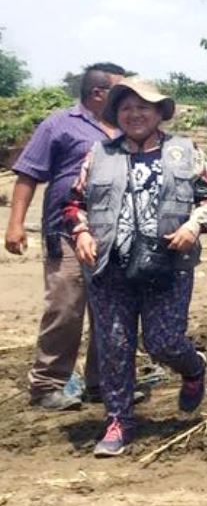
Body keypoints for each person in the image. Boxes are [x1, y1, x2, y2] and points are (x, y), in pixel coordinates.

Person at [65, 79, 207, 457]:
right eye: (126, 108)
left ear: (159, 113)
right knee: (115, 345)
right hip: (109, 267)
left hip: (167, 265)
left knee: (163, 341)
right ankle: (119, 419)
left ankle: (193, 368)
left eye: (144, 108)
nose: (135, 115)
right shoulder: (98, 154)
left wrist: (194, 225)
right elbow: (73, 203)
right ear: (116, 114)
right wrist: (82, 233)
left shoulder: (184, 152)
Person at [7, 61, 125, 409]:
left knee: (110, 309)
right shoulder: (60, 125)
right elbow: (28, 175)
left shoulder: (127, 127)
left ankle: (102, 384)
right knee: (66, 307)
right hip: (66, 231)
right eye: (119, 90)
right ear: (98, 93)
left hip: (115, 235)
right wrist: (14, 225)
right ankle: (46, 386)